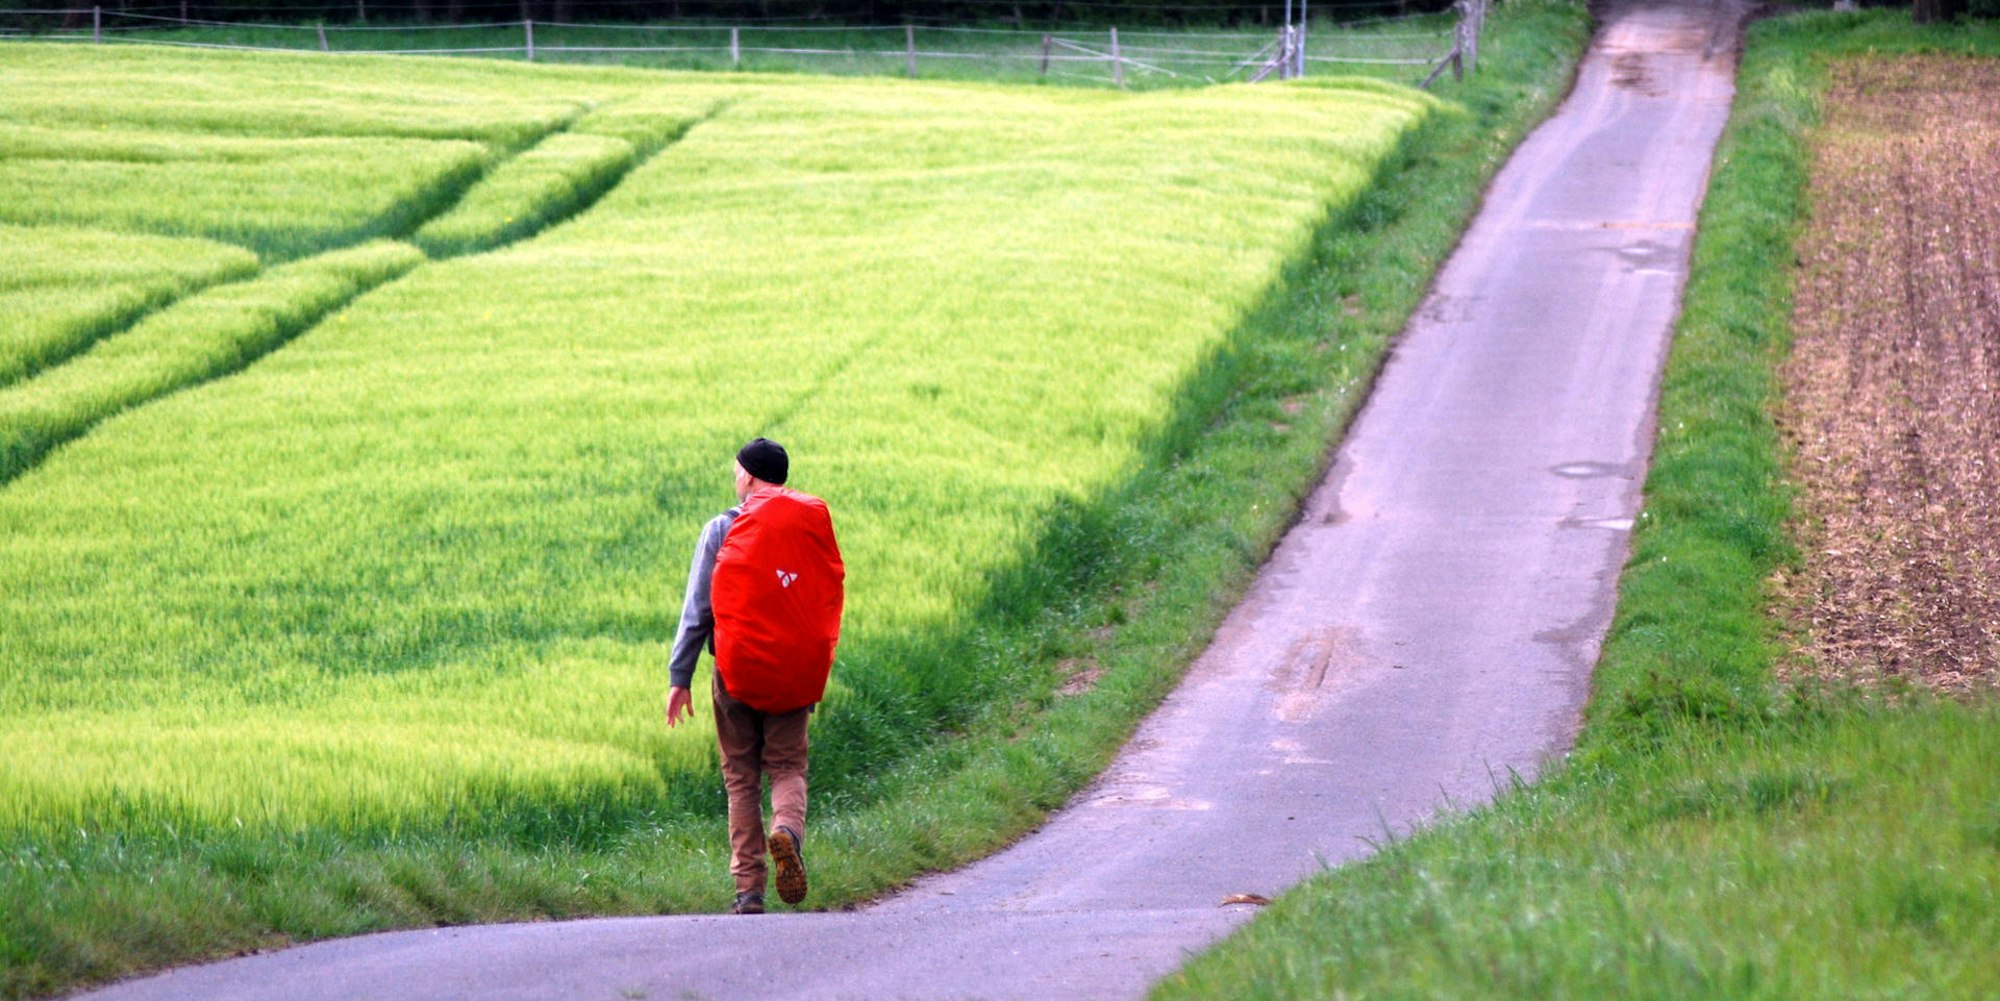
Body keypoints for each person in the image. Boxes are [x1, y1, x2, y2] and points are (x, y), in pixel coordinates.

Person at [664, 437, 827, 916]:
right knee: (788, 767)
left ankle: (749, 891)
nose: (735, 477)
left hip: (735, 673)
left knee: (740, 778)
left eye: (737, 471)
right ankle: (788, 831)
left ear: (752, 477)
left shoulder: (720, 529)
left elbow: (698, 610)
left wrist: (681, 676)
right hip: (793, 673)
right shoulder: (806, 528)